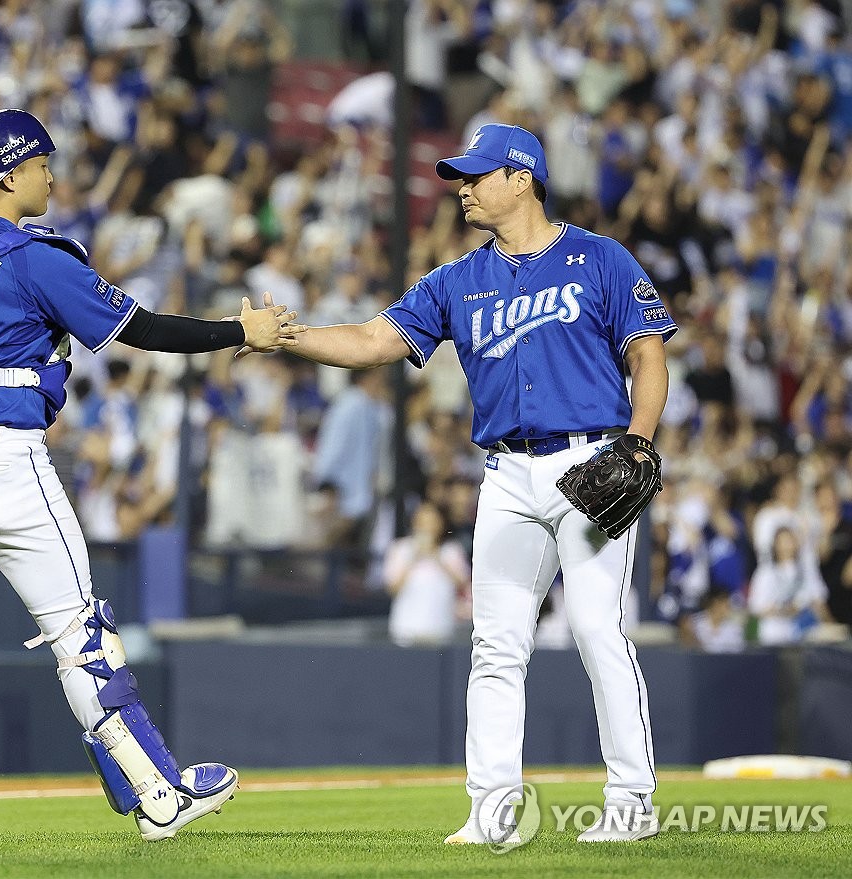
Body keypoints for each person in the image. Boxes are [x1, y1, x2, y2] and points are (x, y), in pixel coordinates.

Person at [0, 108, 303, 848]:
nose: (52, 175)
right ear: (9, 173)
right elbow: (144, 329)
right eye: (41, 164)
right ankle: (159, 794)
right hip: (1, 460)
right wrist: (238, 331)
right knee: (78, 630)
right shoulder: (37, 258)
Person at [255, 124, 676, 844]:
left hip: (592, 463)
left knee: (597, 628)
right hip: (506, 473)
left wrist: (638, 440)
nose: (462, 186)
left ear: (522, 179)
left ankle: (632, 800)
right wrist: (289, 336)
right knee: (496, 644)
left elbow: (648, 355)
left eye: (478, 175)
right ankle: (491, 809)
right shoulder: (457, 279)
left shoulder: (599, 258)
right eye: (460, 175)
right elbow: (371, 340)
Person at [384, 501, 470, 647]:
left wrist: (437, 557)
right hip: (405, 628)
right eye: (422, 521)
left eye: (432, 521)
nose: (427, 527)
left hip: (441, 628)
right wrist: (414, 556)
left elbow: (462, 584)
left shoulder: (451, 550)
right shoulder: (401, 548)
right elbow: (392, 588)